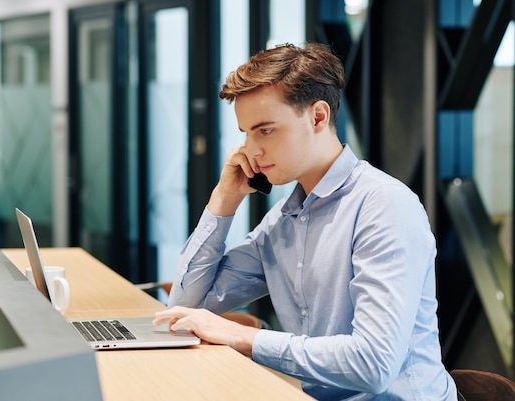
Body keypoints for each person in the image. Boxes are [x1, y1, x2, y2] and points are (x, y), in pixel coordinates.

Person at [153, 42, 458, 400]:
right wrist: (223, 200)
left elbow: (374, 365)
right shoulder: (284, 221)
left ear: (318, 116)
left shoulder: (384, 206)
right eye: (246, 133)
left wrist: (243, 337)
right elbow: (187, 307)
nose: (250, 150)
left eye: (265, 130)